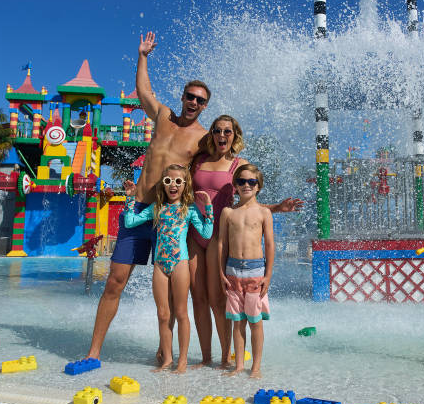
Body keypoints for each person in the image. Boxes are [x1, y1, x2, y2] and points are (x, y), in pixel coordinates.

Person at [85, 31, 210, 361]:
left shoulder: (203, 138)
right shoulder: (163, 116)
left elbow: (220, 162)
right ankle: (94, 351)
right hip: (139, 208)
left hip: (168, 214)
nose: (193, 102)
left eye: (200, 100)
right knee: (115, 279)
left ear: (205, 105)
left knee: (168, 290)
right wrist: (143, 55)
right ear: (183, 97)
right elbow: (143, 92)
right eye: (190, 96)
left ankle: (164, 353)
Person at [187, 115, 303, 368]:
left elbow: (251, 206)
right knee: (198, 298)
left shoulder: (241, 165)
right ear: (212, 134)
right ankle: (206, 357)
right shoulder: (199, 161)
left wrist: (277, 208)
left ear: (234, 135)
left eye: (227, 131)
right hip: (195, 235)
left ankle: (226, 357)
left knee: (219, 300)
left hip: (219, 237)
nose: (222, 135)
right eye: (217, 130)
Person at [123, 164, 213, 373]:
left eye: (178, 181)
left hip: (180, 263)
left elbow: (206, 233)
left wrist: (208, 207)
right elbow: (129, 222)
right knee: (163, 314)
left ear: (185, 185)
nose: (173, 185)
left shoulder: (189, 209)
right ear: (163, 185)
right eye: (168, 181)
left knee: (181, 313)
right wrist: (130, 197)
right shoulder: (156, 208)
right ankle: (167, 360)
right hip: (160, 265)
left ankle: (182, 360)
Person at [218, 164, 274, 379]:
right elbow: (222, 244)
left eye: (251, 182)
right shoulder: (228, 212)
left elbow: (269, 244)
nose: (246, 185)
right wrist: (221, 272)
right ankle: (239, 365)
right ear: (235, 186)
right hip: (232, 272)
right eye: (241, 181)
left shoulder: (263, 212)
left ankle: (256, 367)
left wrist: (268, 275)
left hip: (255, 273)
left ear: (258, 186)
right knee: (237, 322)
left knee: (255, 322)